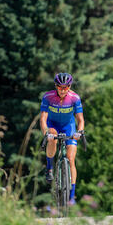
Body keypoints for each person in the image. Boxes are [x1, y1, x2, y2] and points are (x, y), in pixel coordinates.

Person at [40, 72, 84, 205]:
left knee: (71, 159)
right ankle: (49, 167)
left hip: (68, 127)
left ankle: (71, 197)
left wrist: (80, 132)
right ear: (56, 86)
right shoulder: (48, 97)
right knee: (52, 137)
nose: (63, 90)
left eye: (66, 87)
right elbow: (43, 118)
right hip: (52, 125)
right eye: (60, 87)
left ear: (70, 86)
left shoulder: (74, 98)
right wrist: (46, 132)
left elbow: (80, 119)